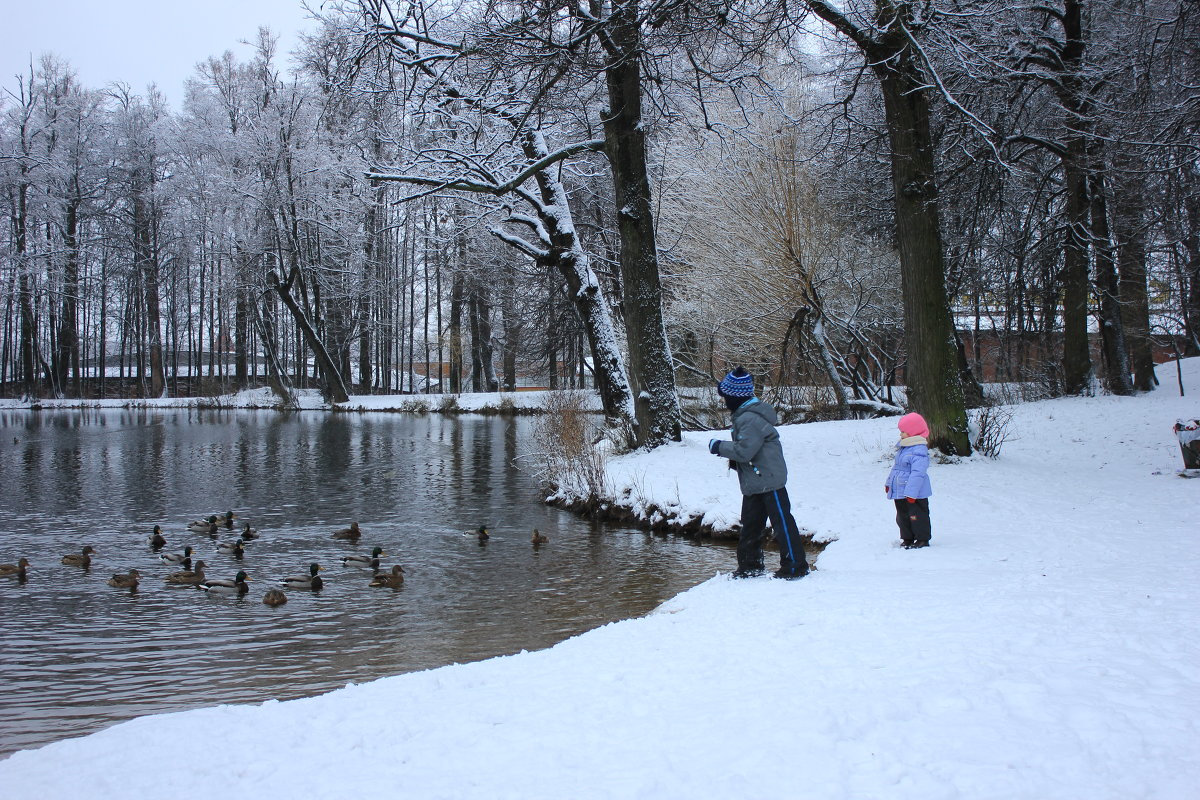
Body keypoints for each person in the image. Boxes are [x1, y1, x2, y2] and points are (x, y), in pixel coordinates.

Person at [707, 367, 808, 580]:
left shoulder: (750, 419)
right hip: (756, 480)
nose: (724, 401)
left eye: (726, 397)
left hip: (769, 480)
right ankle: (749, 567)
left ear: (735, 397)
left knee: (782, 524)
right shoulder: (744, 416)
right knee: (751, 525)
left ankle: (795, 567)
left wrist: (718, 446)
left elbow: (745, 451)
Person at [885, 412, 933, 548]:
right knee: (903, 516)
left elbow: (918, 474)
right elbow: (896, 468)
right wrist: (889, 483)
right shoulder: (903, 449)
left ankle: (922, 538)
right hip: (900, 490)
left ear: (913, 432)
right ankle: (907, 538)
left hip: (914, 493)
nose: (901, 435)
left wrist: (912, 493)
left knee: (916, 515)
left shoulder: (919, 451)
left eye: (903, 432)